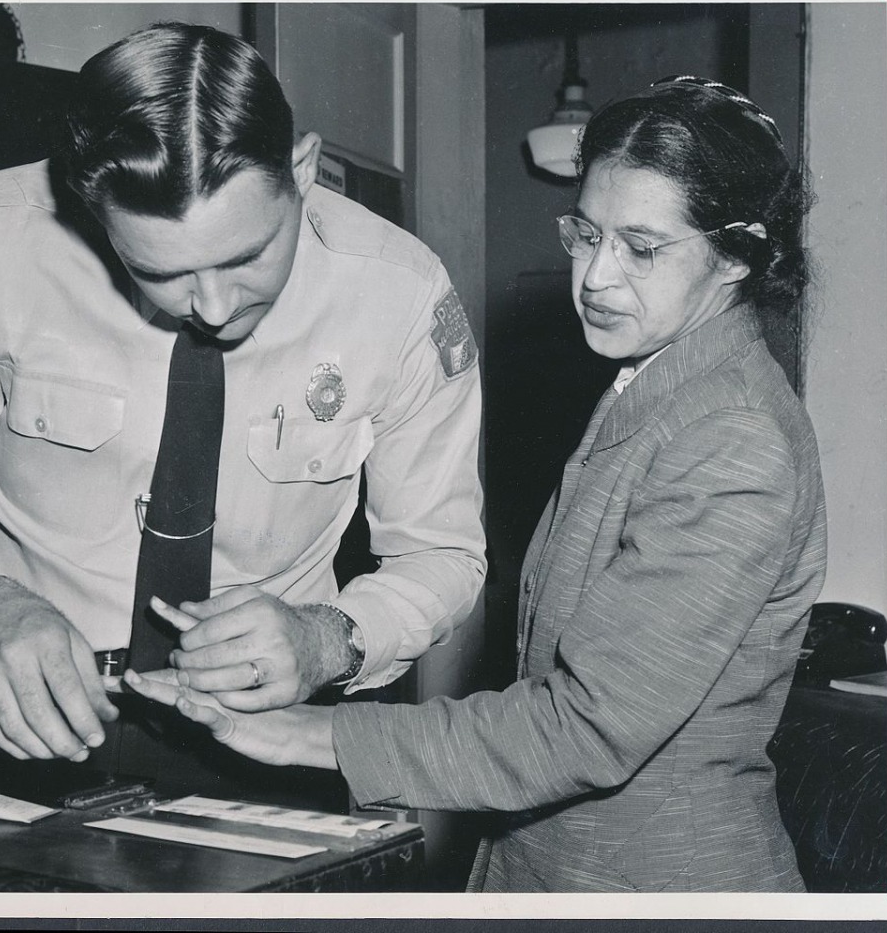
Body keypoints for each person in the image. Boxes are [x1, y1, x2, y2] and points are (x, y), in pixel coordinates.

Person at [128, 75, 828, 891]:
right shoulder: (662, 384)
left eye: (641, 248)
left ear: (735, 257)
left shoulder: (731, 437)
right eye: (586, 234)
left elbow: (589, 727)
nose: (596, 277)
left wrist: (305, 735)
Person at [0, 22, 485, 793]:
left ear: (301, 168)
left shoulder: (399, 293)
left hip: (277, 739)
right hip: (24, 733)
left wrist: (331, 637)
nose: (214, 306)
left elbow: (445, 554)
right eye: (158, 271)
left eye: (247, 256)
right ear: (88, 206)